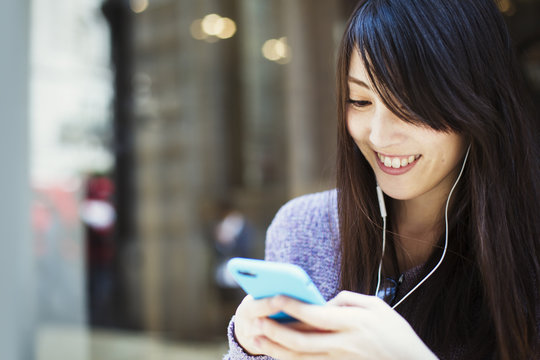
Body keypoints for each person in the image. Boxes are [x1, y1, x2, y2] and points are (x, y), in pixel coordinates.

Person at [224, 0, 540, 359]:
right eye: (360, 101)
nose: (378, 136)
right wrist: (251, 345)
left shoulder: (526, 252)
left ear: (476, 102)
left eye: (410, 105)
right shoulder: (304, 231)